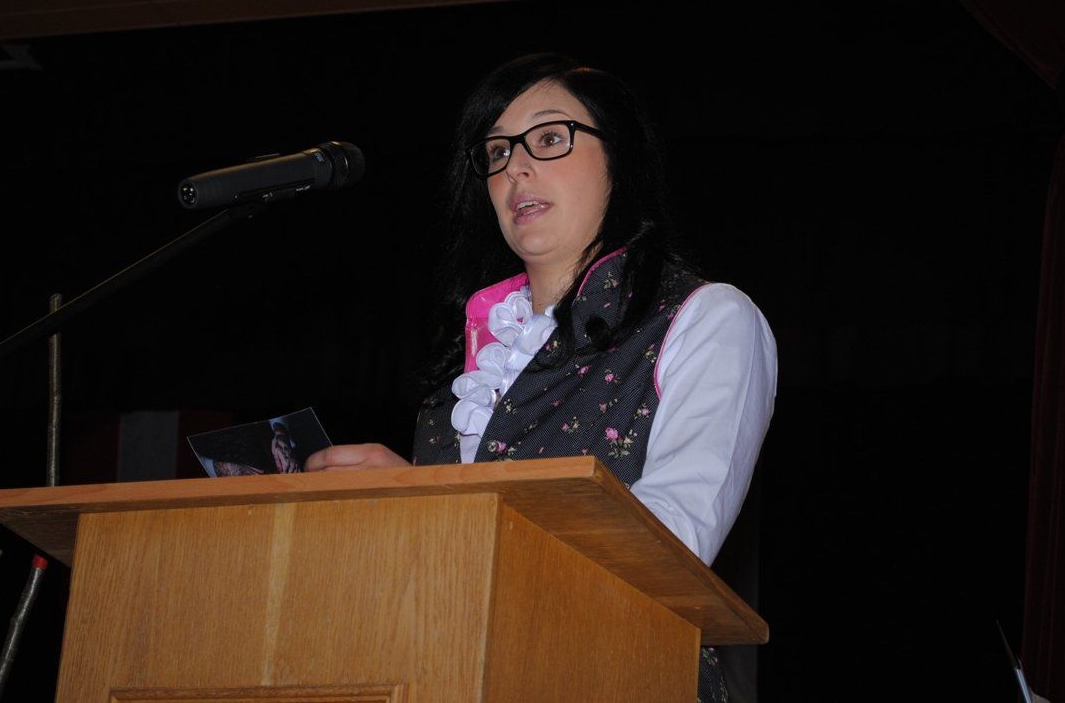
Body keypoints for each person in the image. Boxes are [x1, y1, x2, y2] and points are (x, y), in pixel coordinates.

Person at [306, 53, 777, 700]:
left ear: (621, 157)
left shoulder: (706, 317)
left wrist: (435, 507)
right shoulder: (468, 357)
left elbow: (672, 544)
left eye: (551, 139)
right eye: (497, 151)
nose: (515, 168)